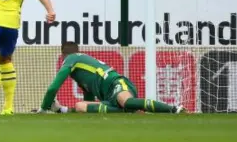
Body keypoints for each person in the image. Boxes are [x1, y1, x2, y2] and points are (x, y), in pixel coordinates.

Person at [34, 41, 186, 114]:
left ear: (63, 55)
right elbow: (89, 99)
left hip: (116, 83)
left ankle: (173, 109)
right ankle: (61, 110)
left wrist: (43, 108)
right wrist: (61, 109)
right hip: (108, 97)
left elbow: (53, 88)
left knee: (125, 101)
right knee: (81, 106)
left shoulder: (70, 59)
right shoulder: (78, 69)